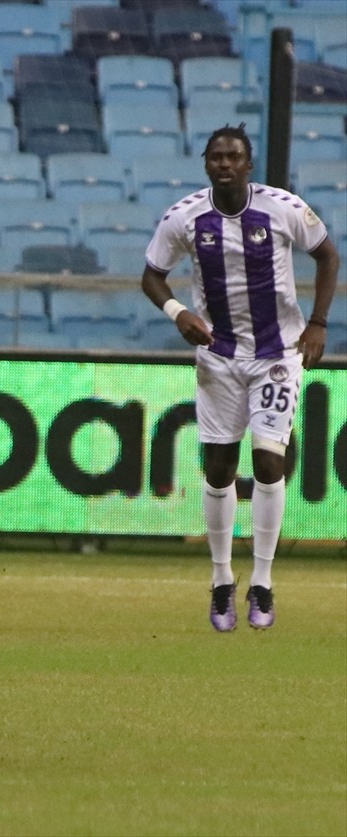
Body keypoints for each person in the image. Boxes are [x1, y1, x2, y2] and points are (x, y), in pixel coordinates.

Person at [141, 124, 340, 632]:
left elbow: (327, 254)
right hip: (219, 356)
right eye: (216, 157)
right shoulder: (185, 217)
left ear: (249, 165)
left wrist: (318, 324)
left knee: (270, 461)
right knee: (219, 467)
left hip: (278, 352)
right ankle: (222, 580)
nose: (225, 164)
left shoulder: (283, 208)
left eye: (234, 157)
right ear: (206, 163)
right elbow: (151, 274)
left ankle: (265, 582)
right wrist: (176, 312)